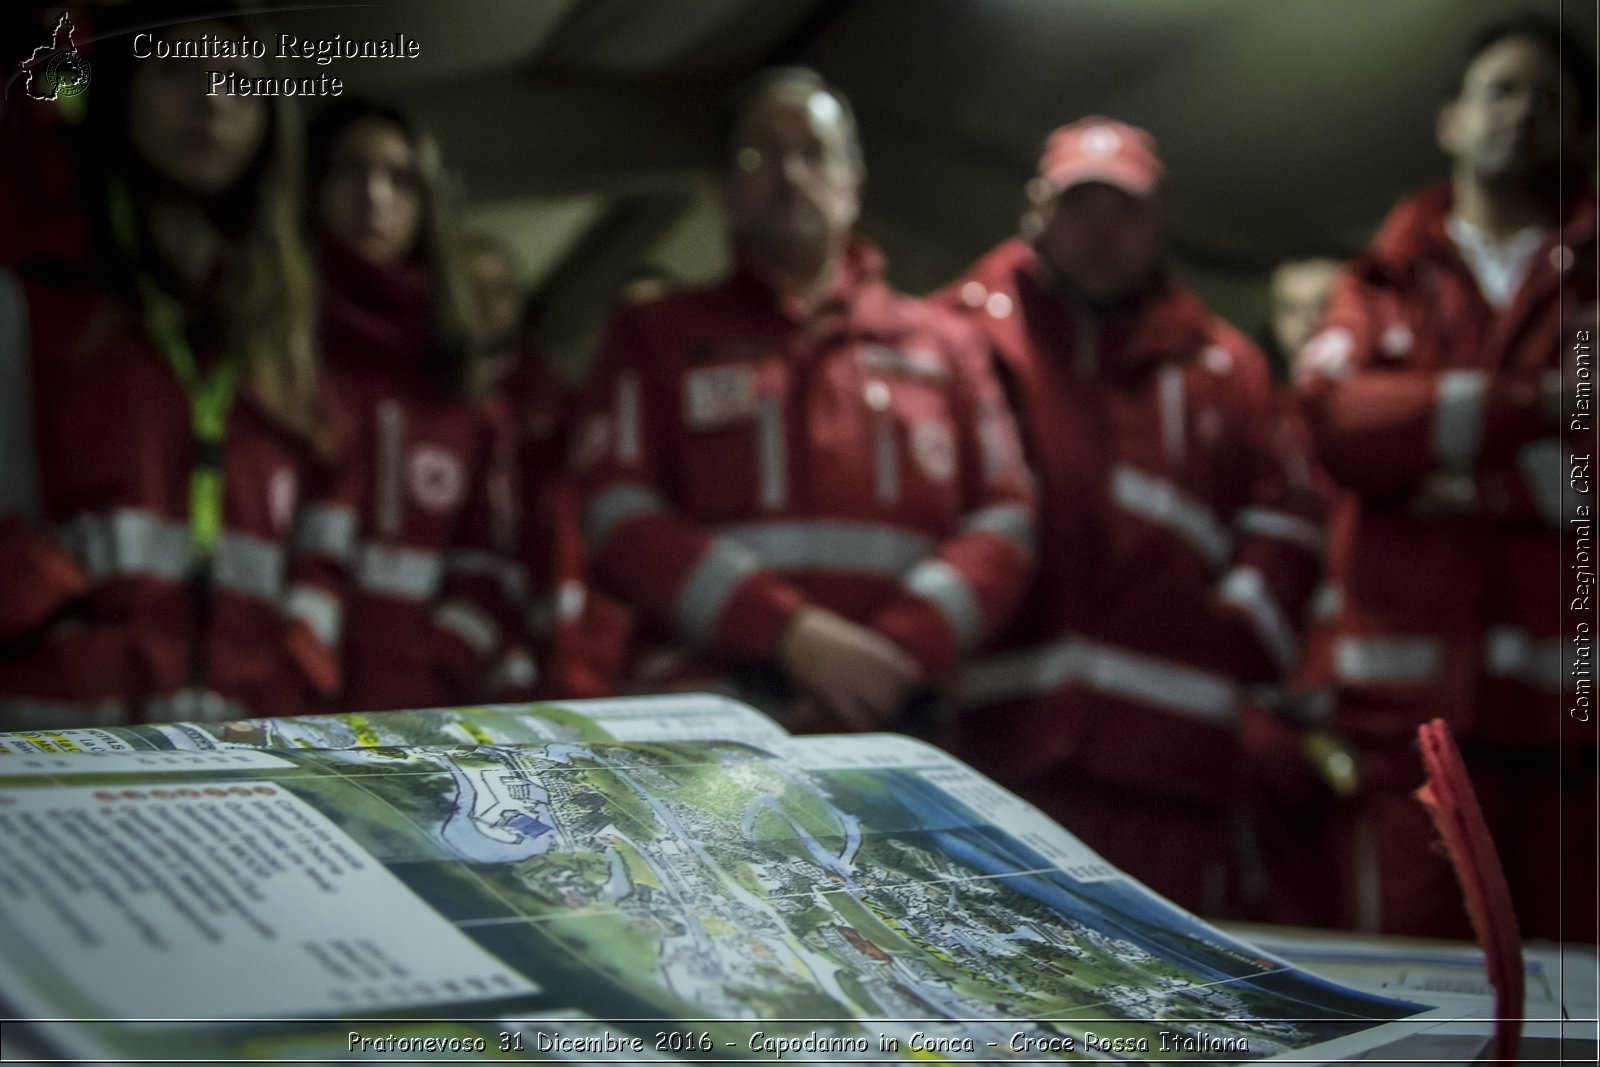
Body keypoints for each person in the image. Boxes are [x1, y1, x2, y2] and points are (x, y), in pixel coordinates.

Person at [938, 117, 1325, 917]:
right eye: (1081, 206)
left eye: (1124, 210)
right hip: (991, 747)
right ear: (1036, 211)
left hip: (1172, 765)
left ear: (1161, 221)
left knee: (1162, 1019)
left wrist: (1231, 632)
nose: (1102, 232)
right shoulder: (960, 339)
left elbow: (1289, 523)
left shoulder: (1227, 369)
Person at [570, 67, 1035, 730]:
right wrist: (793, 635)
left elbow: (1006, 521)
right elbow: (614, 507)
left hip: (896, 716)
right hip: (703, 719)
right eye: (760, 154)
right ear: (723, 188)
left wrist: (895, 653)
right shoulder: (655, 336)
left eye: (815, 152)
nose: (791, 172)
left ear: (855, 181)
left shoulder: (949, 346)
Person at [1294, 15, 1597, 941]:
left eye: (1549, 100)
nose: (1521, 113)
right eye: (1500, 90)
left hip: (1573, 734)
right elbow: (1341, 426)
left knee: (1572, 1012)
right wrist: (1548, 403)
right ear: (1450, 120)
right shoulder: (1381, 278)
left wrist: (1461, 469)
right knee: (1416, 1007)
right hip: (1408, 729)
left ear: (1580, 135)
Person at [0, 9, 347, 726]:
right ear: (123, 90)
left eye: (240, 83)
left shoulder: (282, 323)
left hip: (237, 744)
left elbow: (326, 525)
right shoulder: (37, 294)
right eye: (176, 71)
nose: (211, 99)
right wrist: (54, 634)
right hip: (49, 736)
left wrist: (296, 663)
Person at [308, 100, 518, 712]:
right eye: (350, 172)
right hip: (266, 705)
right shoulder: (274, 360)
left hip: (416, 716)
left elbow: (488, 570)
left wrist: (434, 670)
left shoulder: (464, 398)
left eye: (400, 179)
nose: (374, 198)